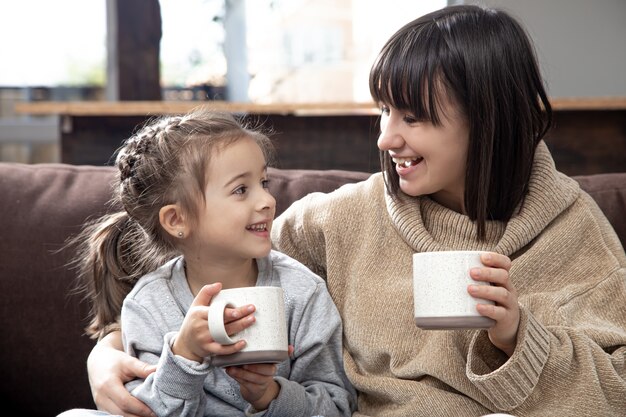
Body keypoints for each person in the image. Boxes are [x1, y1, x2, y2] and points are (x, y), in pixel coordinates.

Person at [85, 4, 626, 417]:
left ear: (488, 119)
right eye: (384, 110)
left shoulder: (573, 229)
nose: (386, 137)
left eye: (412, 116)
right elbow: (196, 260)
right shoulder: (341, 219)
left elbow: (617, 391)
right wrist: (108, 352)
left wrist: (517, 338)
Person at [59, 109, 356, 417]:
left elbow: (336, 406)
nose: (267, 200)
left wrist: (270, 395)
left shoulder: (302, 292)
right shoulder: (149, 303)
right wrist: (183, 356)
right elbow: (142, 411)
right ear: (176, 219)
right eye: (241, 189)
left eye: (264, 182)